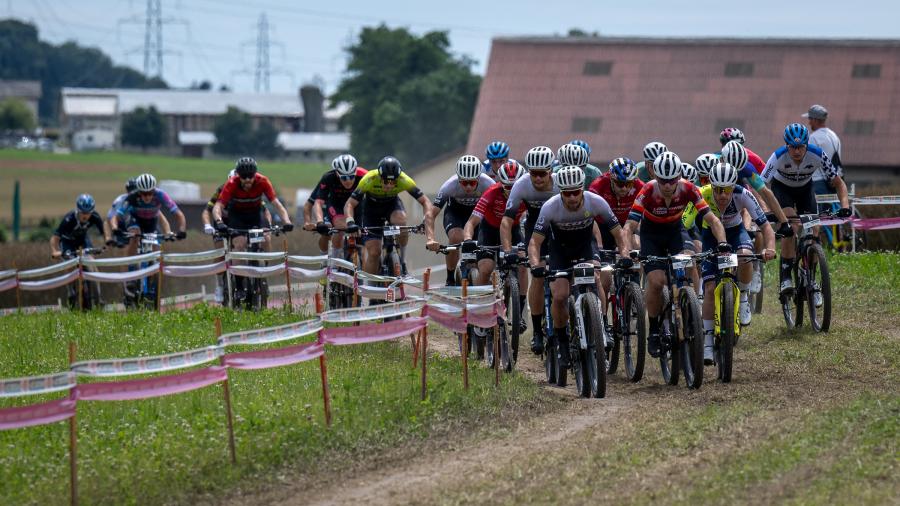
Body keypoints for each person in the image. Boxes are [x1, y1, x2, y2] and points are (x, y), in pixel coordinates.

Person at [624, 151, 727, 358]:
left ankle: (689, 306)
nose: (668, 186)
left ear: (678, 177)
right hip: (651, 235)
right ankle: (653, 330)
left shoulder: (688, 188)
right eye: (663, 181)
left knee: (689, 261)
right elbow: (629, 226)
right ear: (656, 178)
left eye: (672, 181)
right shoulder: (647, 191)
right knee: (655, 282)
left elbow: (713, 220)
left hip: (675, 232)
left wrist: (723, 243)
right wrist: (627, 252)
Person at [528, 166, 629, 368]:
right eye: (567, 193)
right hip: (559, 250)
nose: (572, 198)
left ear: (582, 190)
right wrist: (535, 265)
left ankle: (601, 325)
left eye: (576, 192)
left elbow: (619, 233)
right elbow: (535, 242)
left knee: (596, 278)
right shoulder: (550, 207)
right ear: (561, 192)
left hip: (585, 246)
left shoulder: (596, 202)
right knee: (559, 295)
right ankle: (562, 341)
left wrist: (625, 254)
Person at [682, 163, 777, 363]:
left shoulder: (743, 194)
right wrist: (686, 247)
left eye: (727, 190)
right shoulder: (701, 193)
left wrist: (770, 248)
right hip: (710, 237)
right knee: (709, 288)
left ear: (733, 186)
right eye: (718, 189)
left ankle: (743, 297)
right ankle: (707, 343)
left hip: (735, 233)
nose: (722, 195)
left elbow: (766, 227)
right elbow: (682, 224)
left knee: (744, 255)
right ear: (711, 186)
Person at [762, 123, 851, 296]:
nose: (797, 151)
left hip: (805, 190)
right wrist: (766, 209)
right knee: (791, 228)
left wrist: (845, 206)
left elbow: (839, 183)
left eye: (801, 147)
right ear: (786, 145)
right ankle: (786, 276)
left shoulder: (817, 154)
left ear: (807, 144)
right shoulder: (778, 156)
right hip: (782, 190)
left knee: (814, 233)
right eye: (792, 147)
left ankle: (809, 276)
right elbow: (761, 185)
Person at [501, 145, 559, 355]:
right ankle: (536, 330)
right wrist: (508, 251)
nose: (538, 178)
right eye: (533, 173)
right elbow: (507, 222)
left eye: (542, 173)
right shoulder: (522, 185)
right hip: (535, 229)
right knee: (539, 274)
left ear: (551, 170)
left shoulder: (562, 181)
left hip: (560, 228)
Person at [463, 160, 528, 329]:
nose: (511, 191)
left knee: (521, 265)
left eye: (515, 187)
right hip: (489, 231)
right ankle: (479, 311)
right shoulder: (491, 192)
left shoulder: (527, 193)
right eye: (507, 187)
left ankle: (519, 312)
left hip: (513, 231)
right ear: (500, 183)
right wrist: (469, 240)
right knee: (485, 268)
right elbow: (471, 222)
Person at [344, 156, 434, 276]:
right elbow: (350, 204)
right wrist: (350, 221)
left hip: (392, 205)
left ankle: (402, 261)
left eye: (393, 182)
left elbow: (426, 202)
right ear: (380, 177)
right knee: (374, 252)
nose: (390, 185)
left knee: (401, 221)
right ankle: (371, 285)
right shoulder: (369, 179)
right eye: (386, 181)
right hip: (371, 211)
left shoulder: (404, 180)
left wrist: (425, 219)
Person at [425, 155, 495, 285]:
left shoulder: (488, 183)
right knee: (456, 237)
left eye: (472, 183)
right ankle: (450, 277)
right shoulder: (450, 185)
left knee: (483, 241)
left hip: (478, 214)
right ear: (458, 178)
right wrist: (430, 239)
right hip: (455, 213)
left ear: (479, 178)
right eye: (464, 183)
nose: (468, 187)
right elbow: (431, 214)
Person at [588, 157, 644, 296]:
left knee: (636, 247)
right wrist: (599, 245)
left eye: (628, 184)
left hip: (628, 225)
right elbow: (591, 219)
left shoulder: (640, 186)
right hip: (603, 227)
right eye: (620, 184)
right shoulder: (598, 186)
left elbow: (644, 216)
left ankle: (634, 289)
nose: (624, 188)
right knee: (605, 280)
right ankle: (604, 316)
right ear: (611, 179)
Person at [212, 157, 294, 252]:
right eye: (244, 176)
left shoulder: (263, 181)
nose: (247, 179)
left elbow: (277, 205)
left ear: (255, 174)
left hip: (255, 216)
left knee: (265, 239)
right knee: (239, 244)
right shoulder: (231, 183)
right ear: (238, 175)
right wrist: (219, 221)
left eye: (250, 176)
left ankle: (265, 265)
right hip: (237, 217)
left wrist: (287, 221)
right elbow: (218, 206)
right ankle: (239, 266)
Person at [111, 173, 187, 257]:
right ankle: (131, 264)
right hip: (135, 219)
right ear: (139, 192)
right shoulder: (132, 197)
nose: (147, 197)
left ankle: (154, 266)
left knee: (156, 247)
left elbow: (178, 214)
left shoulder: (161, 195)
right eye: (144, 194)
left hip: (151, 221)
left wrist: (182, 230)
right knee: (135, 236)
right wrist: (115, 229)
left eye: (150, 193)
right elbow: (115, 216)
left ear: (154, 190)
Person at [310, 154, 368, 256]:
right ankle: (334, 263)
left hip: (357, 207)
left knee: (364, 238)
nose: (348, 180)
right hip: (337, 206)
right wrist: (319, 222)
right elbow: (318, 202)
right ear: (337, 174)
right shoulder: (329, 177)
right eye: (344, 177)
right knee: (340, 228)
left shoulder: (364, 175)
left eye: (351, 176)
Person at [803, 105, 844, 213]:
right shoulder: (834, 136)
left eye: (810, 119)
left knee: (817, 216)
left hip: (818, 181)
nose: (809, 122)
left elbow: (807, 160)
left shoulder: (813, 137)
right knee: (831, 215)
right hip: (833, 179)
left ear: (815, 120)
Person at [51, 194, 111, 258]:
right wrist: (54, 251)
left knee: (91, 261)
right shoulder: (69, 219)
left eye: (88, 213)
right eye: (83, 213)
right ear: (78, 210)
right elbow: (55, 237)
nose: (85, 216)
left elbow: (104, 231)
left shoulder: (95, 216)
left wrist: (107, 240)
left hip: (82, 240)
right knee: (71, 263)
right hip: (67, 242)